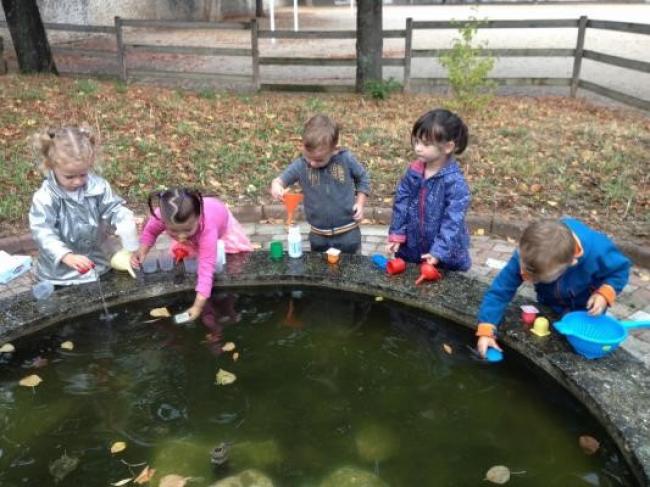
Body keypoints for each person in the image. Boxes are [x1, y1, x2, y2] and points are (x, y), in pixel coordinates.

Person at [475, 218, 631, 358]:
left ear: (571, 263)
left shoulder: (599, 250)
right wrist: (486, 329)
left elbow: (619, 271)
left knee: (578, 349)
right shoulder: (529, 254)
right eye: (523, 271)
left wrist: (604, 294)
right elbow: (500, 290)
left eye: (537, 278)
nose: (526, 278)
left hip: (586, 307)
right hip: (549, 300)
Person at [29, 126, 137, 284]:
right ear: (51, 166)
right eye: (69, 176)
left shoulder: (98, 187)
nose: (78, 181)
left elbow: (113, 208)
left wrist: (125, 219)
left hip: (98, 264)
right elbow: (43, 232)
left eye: (83, 174)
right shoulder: (45, 198)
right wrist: (65, 255)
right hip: (60, 275)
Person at [131, 188, 252, 320]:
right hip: (198, 231)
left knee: (223, 259)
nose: (181, 237)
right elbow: (150, 232)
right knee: (186, 251)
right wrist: (141, 251)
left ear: (199, 217)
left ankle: (229, 309)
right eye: (173, 231)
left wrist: (197, 307)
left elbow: (206, 270)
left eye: (187, 229)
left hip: (220, 228)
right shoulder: (162, 215)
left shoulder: (208, 228)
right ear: (164, 221)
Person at [270, 114, 370, 253]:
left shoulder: (345, 159)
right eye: (308, 156)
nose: (311, 162)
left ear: (334, 149)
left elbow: (363, 178)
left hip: (348, 235)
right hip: (318, 237)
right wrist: (276, 186)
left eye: (319, 160)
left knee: (352, 271)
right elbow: (280, 180)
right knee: (320, 272)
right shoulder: (301, 165)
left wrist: (360, 203)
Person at [386, 108, 471, 271]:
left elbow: (453, 221)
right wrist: (397, 234)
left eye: (425, 144)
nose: (418, 148)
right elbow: (401, 203)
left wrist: (439, 251)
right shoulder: (414, 172)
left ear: (447, 147)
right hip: (412, 251)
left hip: (445, 258)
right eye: (416, 141)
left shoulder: (454, 182)